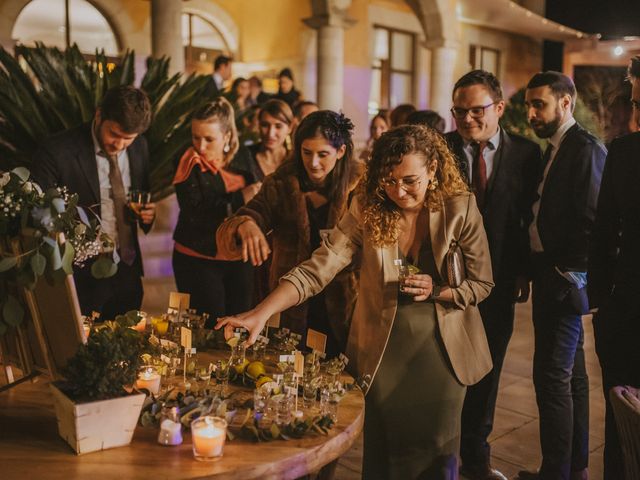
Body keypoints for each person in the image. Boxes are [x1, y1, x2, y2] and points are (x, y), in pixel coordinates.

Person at [217, 124, 494, 479]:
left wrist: (439, 289)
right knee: (384, 457)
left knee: (436, 458)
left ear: (433, 169)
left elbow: (482, 283)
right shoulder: (368, 206)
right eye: (389, 181)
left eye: (410, 180)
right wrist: (260, 314)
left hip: (442, 354)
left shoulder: (461, 208)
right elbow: (319, 267)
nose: (398, 191)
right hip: (382, 351)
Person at [445, 70, 542, 480]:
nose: (467, 119)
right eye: (459, 111)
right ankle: (441, 456)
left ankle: (476, 459)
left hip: (500, 279)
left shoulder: (526, 153)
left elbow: (526, 219)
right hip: (447, 282)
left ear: (499, 108)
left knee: (488, 368)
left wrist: (522, 271)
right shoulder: (440, 149)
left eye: (477, 110)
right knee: (446, 370)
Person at [519, 71, 606, 480]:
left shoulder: (584, 148)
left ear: (565, 103)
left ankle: (557, 472)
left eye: (540, 105)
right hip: (550, 276)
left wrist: (567, 276)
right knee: (571, 378)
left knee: (552, 378)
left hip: (563, 281)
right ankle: (574, 468)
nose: (532, 113)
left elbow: (594, 223)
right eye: (529, 105)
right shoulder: (556, 147)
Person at [216, 111, 360, 355]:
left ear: (341, 152)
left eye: (323, 154)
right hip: (291, 302)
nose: (313, 162)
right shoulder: (282, 183)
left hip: (344, 303)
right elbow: (248, 215)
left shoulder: (361, 186)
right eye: (306, 153)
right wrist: (245, 224)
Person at [32, 85, 155, 320]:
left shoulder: (140, 147)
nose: (119, 145)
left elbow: (142, 194)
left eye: (127, 139)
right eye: (114, 134)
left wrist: (148, 215)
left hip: (127, 271)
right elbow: (41, 215)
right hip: (80, 276)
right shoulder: (56, 151)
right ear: (99, 115)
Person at [588, 55, 640, 480]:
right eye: (638, 104)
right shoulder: (624, 153)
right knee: (622, 437)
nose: (639, 116)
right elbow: (603, 232)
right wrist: (602, 306)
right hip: (626, 318)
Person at [172, 98, 261, 326]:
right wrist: (242, 196)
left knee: (240, 325)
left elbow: (258, 197)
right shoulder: (187, 162)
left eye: (209, 139)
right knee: (210, 329)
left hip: (238, 255)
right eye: (195, 137)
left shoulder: (242, 156)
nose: (200, 147)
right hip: (198, 256)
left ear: (228, 137)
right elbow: (197, 211)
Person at [248, 99, 293, 180]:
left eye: (278, 126)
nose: (270, 134)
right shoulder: (245, 157)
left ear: (290, 128)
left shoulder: (296, 160)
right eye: (265, 125)